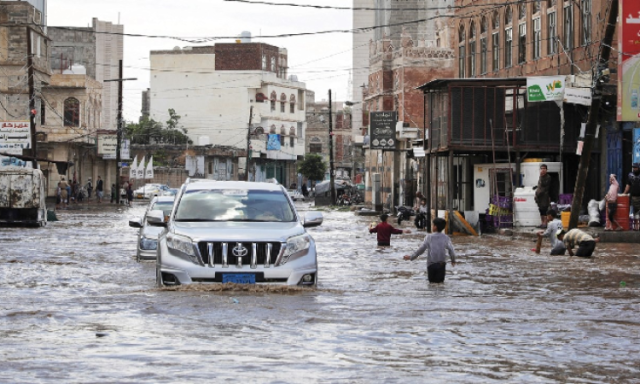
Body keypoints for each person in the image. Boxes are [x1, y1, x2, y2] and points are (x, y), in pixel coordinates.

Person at [403, 217, 457, 283]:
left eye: (433, 225)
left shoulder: (429, 237)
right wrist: (453, 260)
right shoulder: (446, 238)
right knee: (440, 284)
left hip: (431, 265)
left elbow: (421, 249)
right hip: (441, 265)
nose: (432, 226)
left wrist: (411, 257)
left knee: (432, 285)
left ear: (435, 227)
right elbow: (451, 250)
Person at [623, 162, 640, 231]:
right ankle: (636, 226)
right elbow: (628, 185)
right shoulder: (631, 176)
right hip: (634, 197)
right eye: (634, 167)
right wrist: (624, 194)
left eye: (636, 167)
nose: (634, 169)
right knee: (635, 212)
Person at [534, 164, 552, 229]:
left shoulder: (548, 177)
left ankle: (545, 223)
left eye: (544, 169)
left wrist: (541, 177)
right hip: (539, 197)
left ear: (546, 170)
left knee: (544, 210)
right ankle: (542, 223)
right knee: (541, 210)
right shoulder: (540, 177)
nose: (543, 170)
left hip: (545, 196)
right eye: (542, 168)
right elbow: (539, 186)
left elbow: (544, 186)